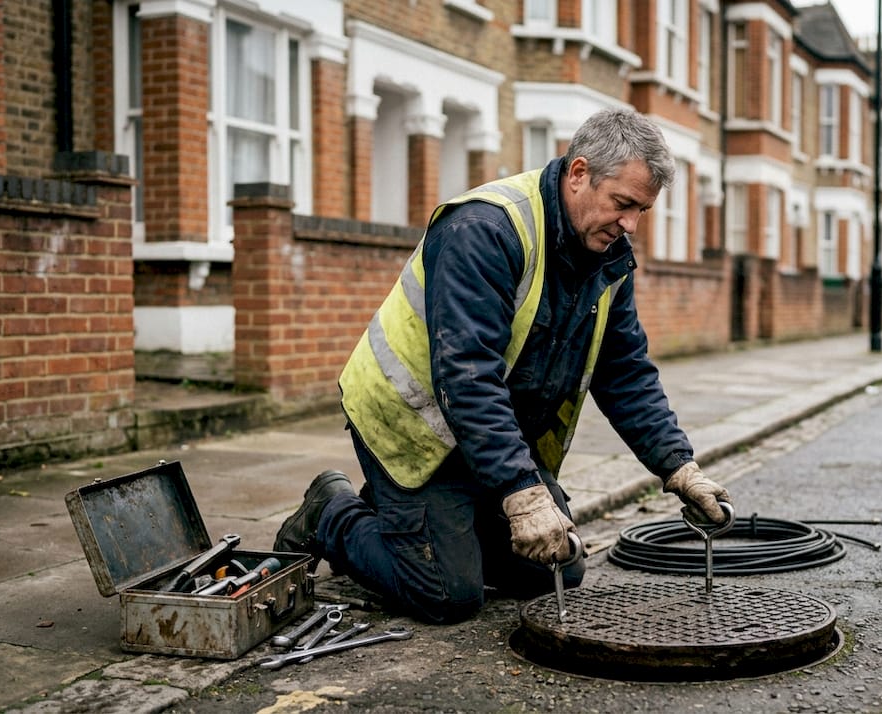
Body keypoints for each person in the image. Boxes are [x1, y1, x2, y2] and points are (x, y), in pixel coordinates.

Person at [274, 108, 731, 625]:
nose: (630, 224)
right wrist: (521, 493)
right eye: (623, 204)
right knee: (448, 595)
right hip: (415, 426)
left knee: (555, 568)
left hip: (491, 435)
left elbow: (624, 370)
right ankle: (331, 511)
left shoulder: (607, 254)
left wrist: (678, 467)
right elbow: (467, 376)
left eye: (642, 211)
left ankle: (413, 525)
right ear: (579, 173)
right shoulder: (485, 228)